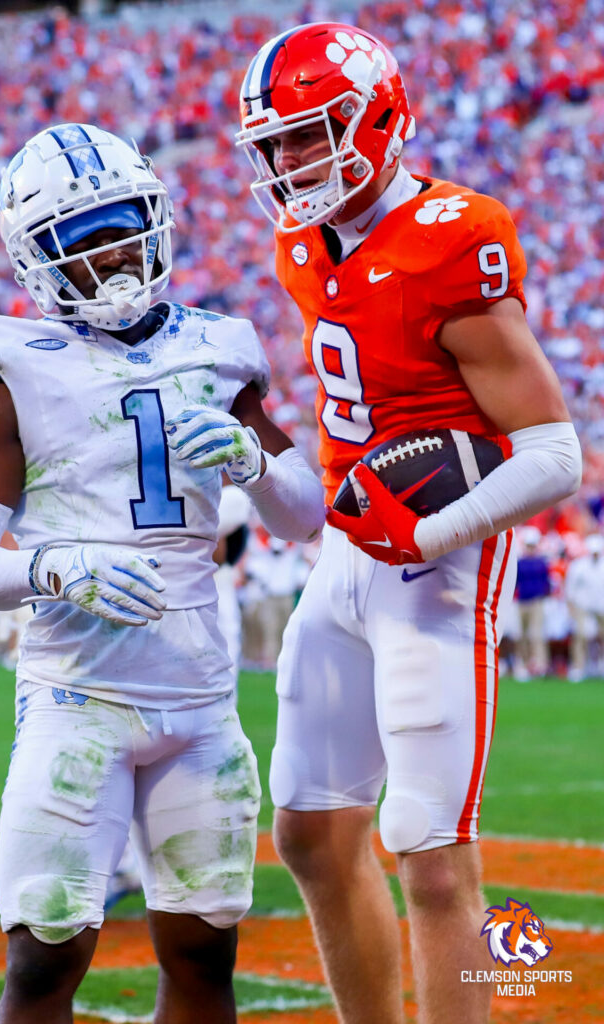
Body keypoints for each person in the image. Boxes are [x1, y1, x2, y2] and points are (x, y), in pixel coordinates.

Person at [0, 122, 324, 1024]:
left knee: (204, 961)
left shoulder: (220, 346)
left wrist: (255, 465)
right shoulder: (4, 359)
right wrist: (59, 566)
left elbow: (306, 515)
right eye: (80, 236)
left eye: (123, 223)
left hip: (199, 701)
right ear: (37, 257)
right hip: (78, 698)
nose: (111, 251)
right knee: (43, 964)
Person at [236, 23, 582, 1024]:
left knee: (432, 858)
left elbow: (555, 453)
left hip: (438, 569)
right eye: (279, 144)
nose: (293, 162)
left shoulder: (453, 236)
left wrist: (430, 534)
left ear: (380, 118)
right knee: (307, 831)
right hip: (346, 556)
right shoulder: (301, 241)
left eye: (313, 134)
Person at [513, 526, 551, 680]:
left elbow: (546, 584)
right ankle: (522, 664)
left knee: (537, 634)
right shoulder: (520, 562)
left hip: (536, 601)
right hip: (522, 601)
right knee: (521, 635)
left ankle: (540, 664)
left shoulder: (541, 563)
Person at [565, 534, 604, 681]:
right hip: (583, 606)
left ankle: (600, 665)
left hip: (601, 607)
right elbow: (570, 588)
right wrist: (571, 607)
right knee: (580, 637)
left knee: (602, 638)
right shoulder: (579, 565)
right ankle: (578, 666)